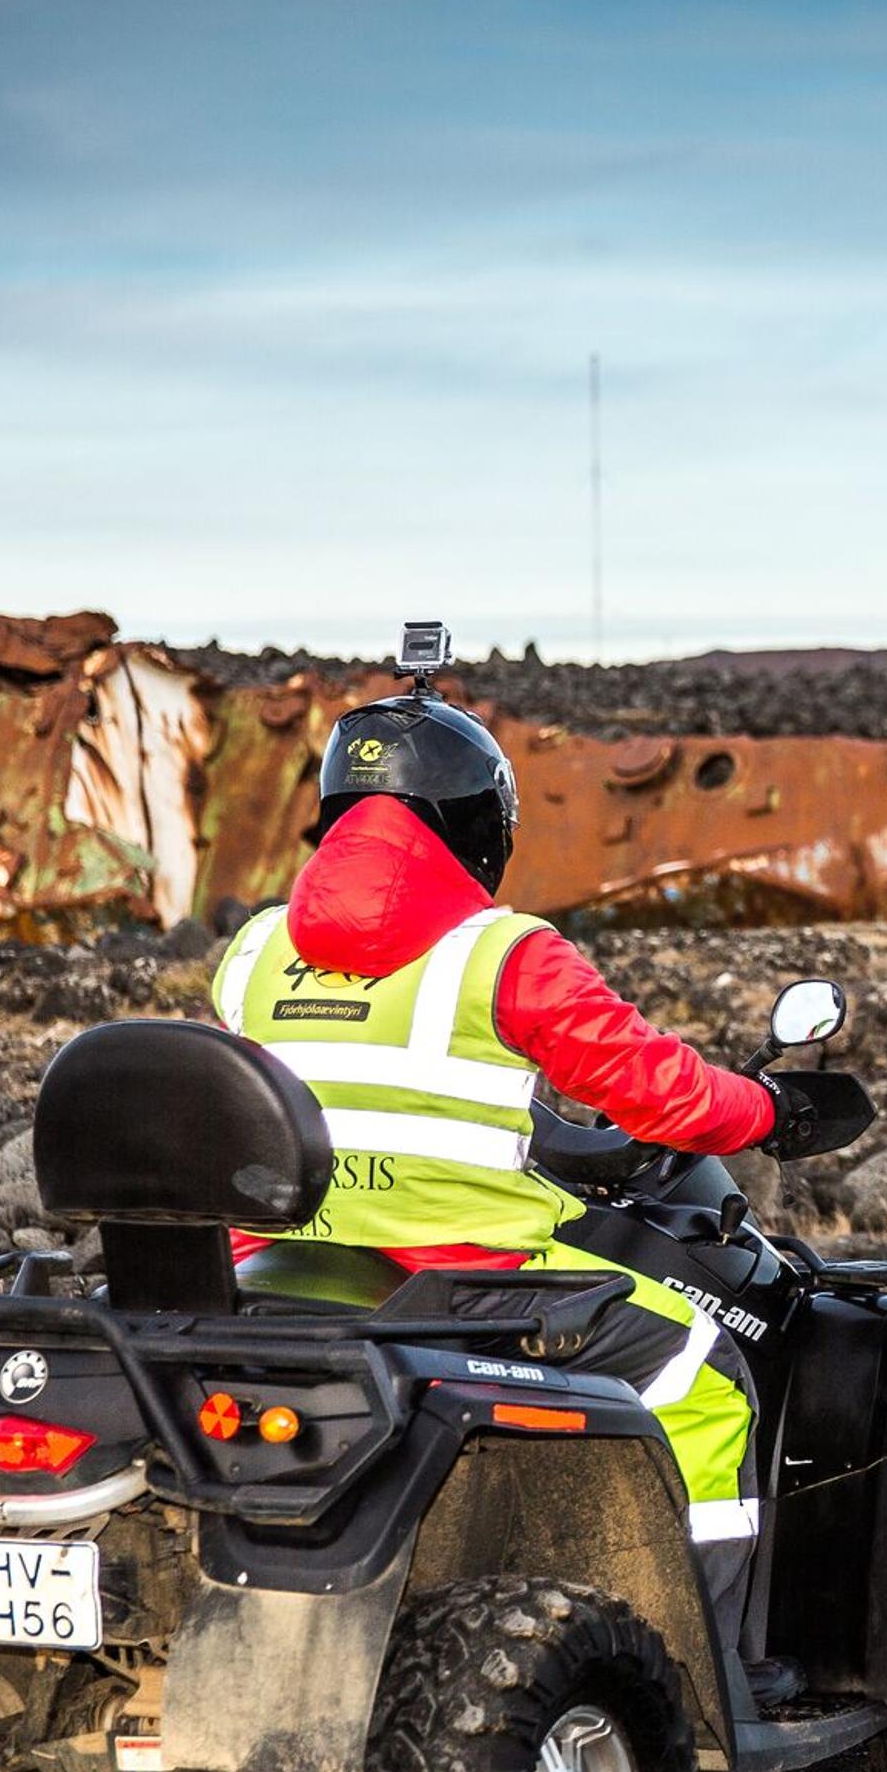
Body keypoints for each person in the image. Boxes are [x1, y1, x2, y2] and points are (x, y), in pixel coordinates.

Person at [208, 659, 800, 1665]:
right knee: (708, 1384)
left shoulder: (255, 948)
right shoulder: (507, 953)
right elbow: (661, 1091)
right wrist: (767, 1105)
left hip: (271, 1271)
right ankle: (707, 1668)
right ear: (476, 821)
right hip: (467, 1283)